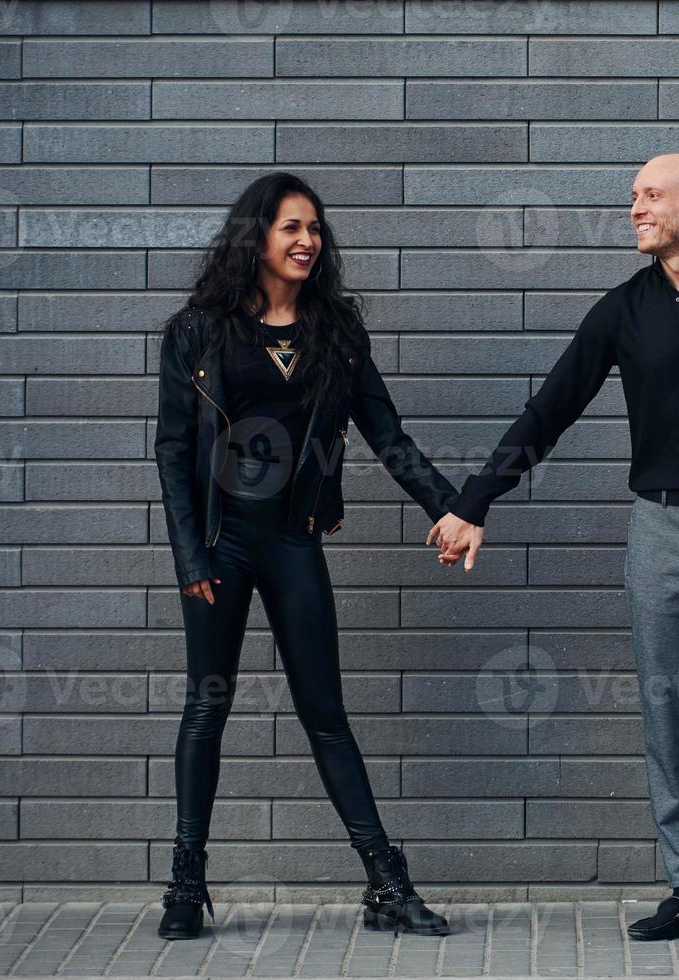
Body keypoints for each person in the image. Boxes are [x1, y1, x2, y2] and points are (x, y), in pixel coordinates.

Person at [428, 153, 679, 940]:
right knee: (668, 710)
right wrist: (476, 502)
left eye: (651, 196)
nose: (636, 210)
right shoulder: (621, 312)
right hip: (663, 531)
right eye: (633, 198)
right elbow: (548, 411)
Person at [153, 172, 455, 940]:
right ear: (255, 236)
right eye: (291, 227)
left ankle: (386, 883)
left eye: (314, 228)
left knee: (326, 714)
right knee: (207, 707)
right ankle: (186, 883)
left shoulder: (336, 332)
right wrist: (190, 557)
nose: (307, 241)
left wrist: (451, 507)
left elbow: (388, 434)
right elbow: (170, 452)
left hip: (293, 541)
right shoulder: (198, 332)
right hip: (220, 546)